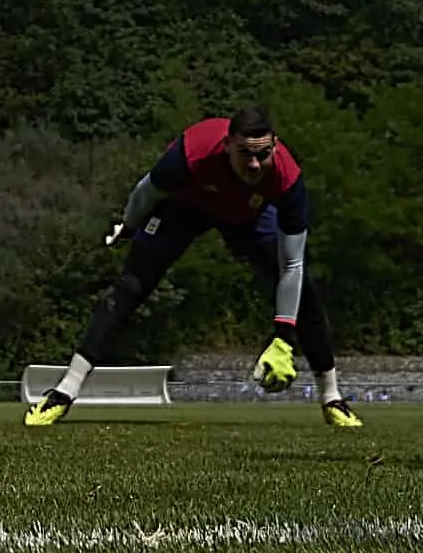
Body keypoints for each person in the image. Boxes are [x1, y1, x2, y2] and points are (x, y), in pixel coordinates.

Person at [29, 107, 361, 431]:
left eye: (263, 154)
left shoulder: (287, 179)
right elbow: (146, 190)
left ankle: (332, 398)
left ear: (275, 145)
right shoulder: (191, 155)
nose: (255, 164)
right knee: (130, 287)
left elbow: (292, 264)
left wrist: (282, 338)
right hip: (185, 207)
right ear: (227, 145)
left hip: (247, 217)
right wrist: (130, 225)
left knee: (306, 295)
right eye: (245, 153)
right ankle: (64, 392)